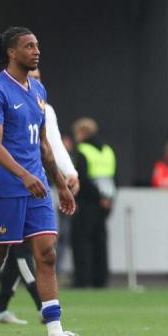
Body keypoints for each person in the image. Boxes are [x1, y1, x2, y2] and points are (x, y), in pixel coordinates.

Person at [0, 26, 80, 336]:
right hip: (6, 187)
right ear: (12, 52)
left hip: (38, 186)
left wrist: (59, 182)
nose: (36, 51)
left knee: (47, 253)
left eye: (37, 45)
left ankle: (55, 330)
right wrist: (23, 175)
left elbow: (43, 145)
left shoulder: (39, 91)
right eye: (29, 46)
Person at [0, 67, 80, 325]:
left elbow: (51, 146)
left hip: (38, 185)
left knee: (34, 251)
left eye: (39, 77)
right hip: (9, 187)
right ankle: (39, 305)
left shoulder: (44, 107)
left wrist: (68, 174)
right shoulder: (3, 97)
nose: (35, 81)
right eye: (32, 77)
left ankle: (2, 311)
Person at [71, 117, 115, 288]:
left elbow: (81, 179)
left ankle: (83, 280)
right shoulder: (107, 151)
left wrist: (96, 197)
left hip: (87, 203)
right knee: (100, 242)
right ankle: (100, 279)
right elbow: (114, 178)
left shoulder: (82, 151)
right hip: (105, 203)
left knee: (82, 242)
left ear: (82, 133)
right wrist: (107, 199)